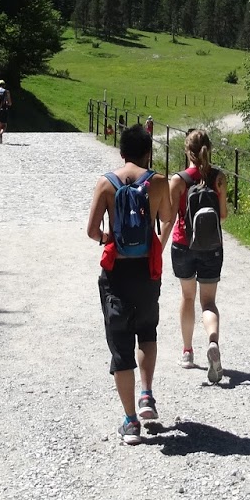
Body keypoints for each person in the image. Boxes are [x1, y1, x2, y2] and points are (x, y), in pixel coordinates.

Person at [87, 123, 171, 444]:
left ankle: (131, 423)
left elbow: (92, 230)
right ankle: (147, 395)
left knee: (121, 346)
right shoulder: (159, 182)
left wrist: (110, 237)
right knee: (147, 332)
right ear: (148, 152)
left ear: (121, 152)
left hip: (117, 275)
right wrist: (155, 245)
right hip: (147, 273)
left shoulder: (105, 184)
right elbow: (165, 220)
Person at [164, 128, 227, 383]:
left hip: (183, 245)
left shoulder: (178, 180)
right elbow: (223, 216)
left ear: (186, 150)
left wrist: (157, 248)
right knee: (208, 303)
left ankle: (188, 352)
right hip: (212, 247)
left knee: (187, 297)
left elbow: (169, 219)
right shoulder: (219, 177)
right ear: (208, 149)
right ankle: (212, 341)